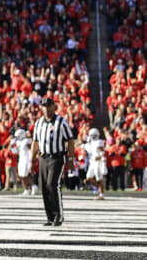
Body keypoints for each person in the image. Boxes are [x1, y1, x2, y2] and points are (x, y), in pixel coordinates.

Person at [30, 97, 75, 226]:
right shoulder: (38, 123)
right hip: (43, 157)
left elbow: (70, 141)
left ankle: (58, 215)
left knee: (52, 184)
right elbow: (35, 142)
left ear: (54, 107)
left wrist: (71, 159)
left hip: (57, 157)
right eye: (44, 106)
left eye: (48, 105)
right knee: (44, 187)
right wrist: (31, 160)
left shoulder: (61, 122)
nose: (46, 108)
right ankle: (50, 217)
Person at [82, 128, 106, 200]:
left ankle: (101, 194)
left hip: (98, 162)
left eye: (93, 135)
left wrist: (103, 163)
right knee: (88, 177)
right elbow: (83, 145)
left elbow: (102, 153)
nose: (91, 137)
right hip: (92, 162)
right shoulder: (90, 143)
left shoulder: (99, 142)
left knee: (99, 178)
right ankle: (99, 188)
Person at [14, 129, 37, 195]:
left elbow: (30, 150)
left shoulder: (26, 141)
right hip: (21, 159)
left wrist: (31, 161)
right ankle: (26, 189)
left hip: (26, 160)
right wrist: (12, 146)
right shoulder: (18, 142)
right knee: (21, 175)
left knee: (25, 174)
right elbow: (16, 152)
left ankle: (33, 185)